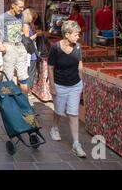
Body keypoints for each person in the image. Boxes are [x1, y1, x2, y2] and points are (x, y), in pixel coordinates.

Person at [48, 20, 86, 158]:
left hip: (75, 85)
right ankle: (54, 127)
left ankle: (76, 143)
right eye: (76, 34)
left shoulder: (78, 48)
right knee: (59, 110)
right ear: (67, 34)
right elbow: (50, 67)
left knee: (73, 113)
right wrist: (52, 86)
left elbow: (80, 65)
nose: (78, 37)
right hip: (59, 84)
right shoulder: (55, 48)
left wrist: (82, 83)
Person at [0, 0, 29, 94]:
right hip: (9, 47)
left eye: (23, 7)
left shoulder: (21, 16)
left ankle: (25, 103)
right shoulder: (3, 17)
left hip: (20, 47)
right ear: (13, 5)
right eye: (20, 7)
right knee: (8, 76)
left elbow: (24, 30)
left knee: (23, 76)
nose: (22, 9)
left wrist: (24, 34)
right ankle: (7, 100)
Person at [22, 8, 43, 94]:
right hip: (30, 52)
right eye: (33, 17)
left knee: (29, 72)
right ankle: (28, 91)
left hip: (29, 52)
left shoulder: (26, 24)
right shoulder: (26, 26)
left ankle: (27, 90)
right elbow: (28, 40)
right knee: (31, 72)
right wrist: (37, 35)